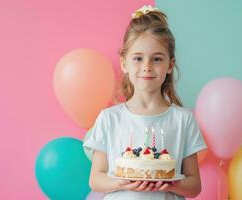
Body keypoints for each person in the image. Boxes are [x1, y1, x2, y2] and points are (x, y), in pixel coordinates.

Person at [83, 5, 206, 200]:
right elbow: (96, 179)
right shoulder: (109, 118)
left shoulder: (183, 120)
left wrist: (171, 184)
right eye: (138, 58)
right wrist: (122, 181)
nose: (147, 67)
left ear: (170, 65)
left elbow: (194, 187)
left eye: (157, 59)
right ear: (124, 63)